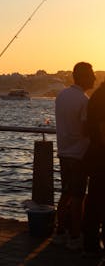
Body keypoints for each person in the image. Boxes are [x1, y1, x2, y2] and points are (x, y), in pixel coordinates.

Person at [54, 62, 95, 250]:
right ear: (82, 76)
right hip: (79, 155)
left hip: (64, 152)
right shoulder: (83, 100)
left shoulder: (61, 96)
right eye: (91, 74)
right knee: (78, 197)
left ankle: (60, 232)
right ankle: (75, 236)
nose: (94, 78)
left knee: (66, 194)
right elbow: (86, 129)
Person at [83, 81, 105, 254]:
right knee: (97, 202)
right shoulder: (101, 98)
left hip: (95, 157)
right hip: (101, 158)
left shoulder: (96, 96)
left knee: (94, 203)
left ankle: (90, 245)